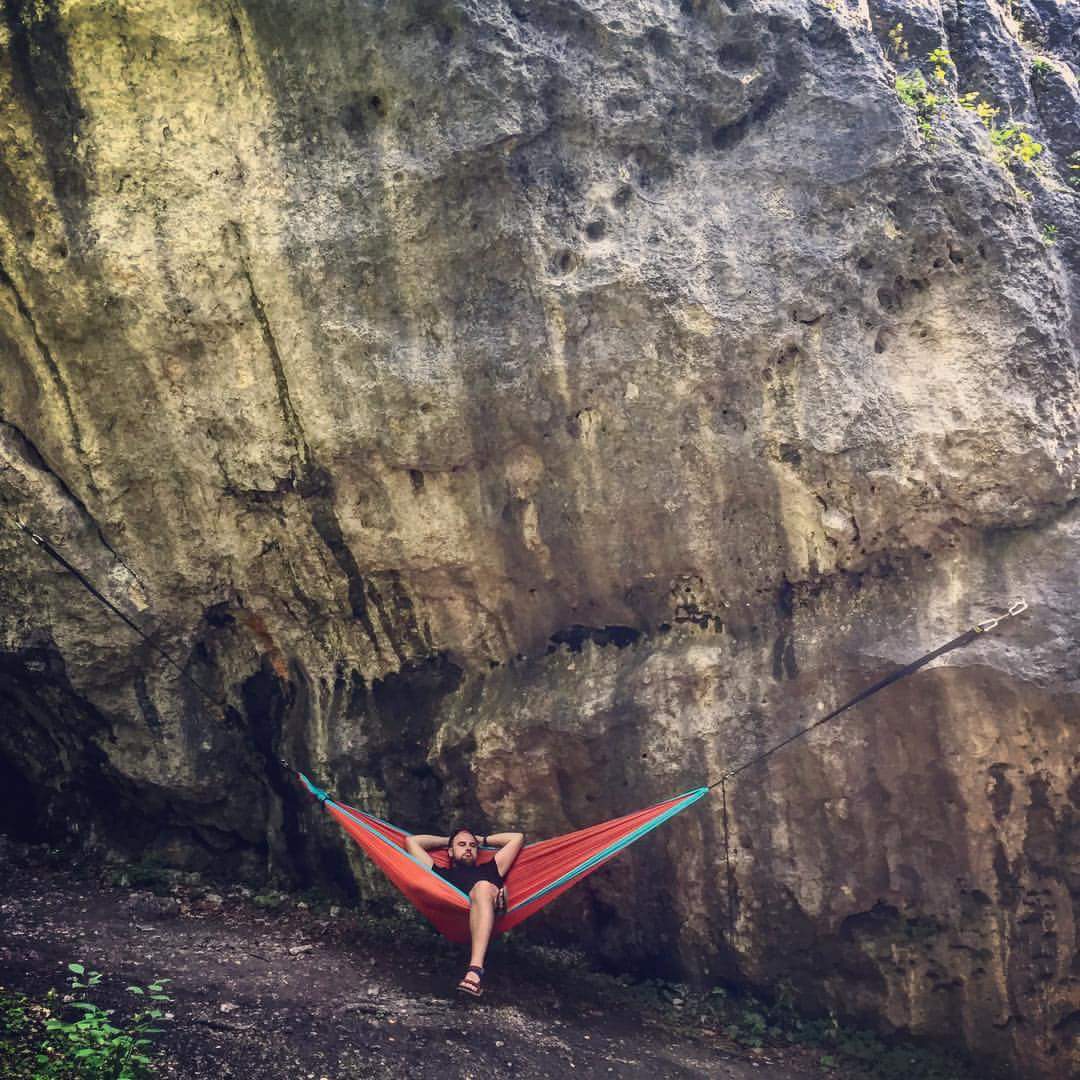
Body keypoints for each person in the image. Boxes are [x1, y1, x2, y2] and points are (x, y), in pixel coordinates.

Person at [405, 825, 524, 996]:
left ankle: (474, 970)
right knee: (483, 887)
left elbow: (517, 838)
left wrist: (482, 840)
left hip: (484, 902)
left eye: (472, 846)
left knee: (483, 887)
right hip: (461, 912)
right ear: (450, 852)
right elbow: (412, 842)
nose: (468, 848)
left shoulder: (491, 868)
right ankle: (498, 901)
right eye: (462, 845)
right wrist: (448, 841)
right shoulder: (441, 875)